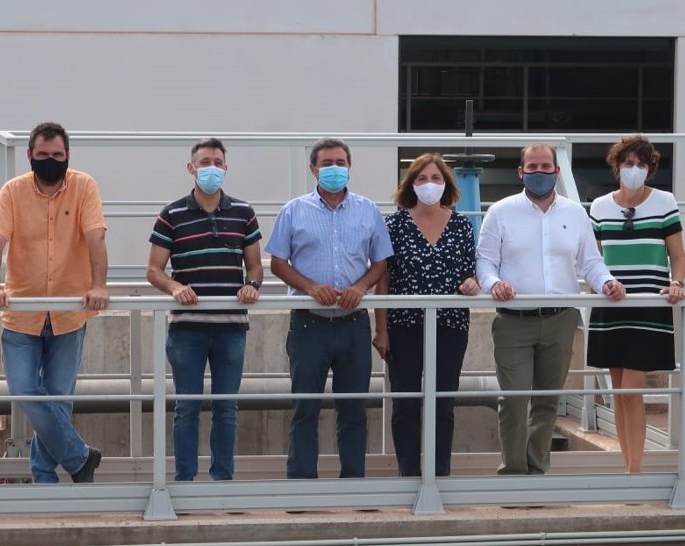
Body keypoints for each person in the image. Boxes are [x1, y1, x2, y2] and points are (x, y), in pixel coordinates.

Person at [476, 143, 626, 476]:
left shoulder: (575, 213)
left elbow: (590, 262)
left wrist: (607, 282)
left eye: (546, 167)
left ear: (557, 171)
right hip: (514, 321)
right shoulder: (500, 212)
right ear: (521, 171)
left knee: (547, 400)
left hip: (560, 319)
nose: (539, 172)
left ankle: (537, 470)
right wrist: (494, 284)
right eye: (532, 167)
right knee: (514, 400)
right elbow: (484, 262)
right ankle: (514, 473)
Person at [0, 122, 108, 483]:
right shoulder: (13, 191)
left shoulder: (84, 186)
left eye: (57, 155)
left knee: (58, 399)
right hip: (22, 314)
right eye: (42, 154)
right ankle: (80, 457)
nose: (50, 160)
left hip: (70, 314)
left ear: (67, 156)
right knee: (24, 391)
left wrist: (99, 286)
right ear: (29, 155)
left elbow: (96, 237)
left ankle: (44, 478)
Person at [265, 138, 393, 479]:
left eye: (340, 162)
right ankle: (302, 483)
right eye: (326, 163)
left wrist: (360, 286)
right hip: (309, 325)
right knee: (304, 409)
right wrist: (310, 287)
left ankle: (353, 482)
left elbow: (381, 263)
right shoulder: (293, 210)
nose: (334, 169)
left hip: (354, 324)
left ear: (349, 167)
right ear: (313, 169)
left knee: (354, 411)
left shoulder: (368, 210)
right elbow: (277, 262)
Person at [147, 138, 263, 481]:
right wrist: (175, 287)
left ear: (226, 168)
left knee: (227, 408)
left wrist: (251, 285)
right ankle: (184, 482)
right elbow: (153, 270)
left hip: (231, 327)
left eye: (217, 162)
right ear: (191, 168)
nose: (211, 168)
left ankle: (221, 482)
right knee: (187, 408)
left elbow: (256, 266)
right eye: (204, 162)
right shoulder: (171, 215)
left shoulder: (244, 212)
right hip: (187, 328)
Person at [586, 136, 685, 473]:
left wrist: (676, 283)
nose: (634, 169)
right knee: (619, 391)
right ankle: (626, 464)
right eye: (628, 163)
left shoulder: (664, 202)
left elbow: (679, 257)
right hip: (611, 306)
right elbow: (593, 260)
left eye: (641, 164)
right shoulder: (599, 207)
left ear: (650, 168)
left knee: (631, 389)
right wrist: (603, 284)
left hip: (648, 306)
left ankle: (635, 470)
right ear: (616, 167)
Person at [372, 153, 478, 477]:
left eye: (435, 178)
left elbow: (470, 272)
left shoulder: (461, 225)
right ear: (410, 184)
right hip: (403, 326)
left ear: (446, 184)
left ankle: (438, 475)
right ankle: (408, 475)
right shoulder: (393, 224)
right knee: (405, 404)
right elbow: (383, 279)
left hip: (450, 326)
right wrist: (381, 328)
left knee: (442, 404)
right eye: (421, 178)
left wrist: (472, 283)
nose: (429, 184)